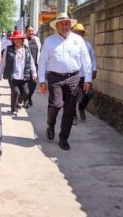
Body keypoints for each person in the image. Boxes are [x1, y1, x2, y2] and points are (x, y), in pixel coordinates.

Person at [38, 13, 92, 150]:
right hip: (55, 77)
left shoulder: (78, 40)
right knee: (55, 104)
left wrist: (88, 79)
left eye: (66, 23)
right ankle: (51, 124)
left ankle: (64, 138)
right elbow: (43, 62)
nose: (64, 26)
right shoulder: (49, 41)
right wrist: (42, 81)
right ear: (56, 26)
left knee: (69, 109)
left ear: (71, 25)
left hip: (73, 77)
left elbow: (86, 60)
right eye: (61, 24)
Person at [0, 30, 37, 118]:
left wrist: (34, 73)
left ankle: (18, 102)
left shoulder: (26, 49)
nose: (18, 40)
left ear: (22, 40)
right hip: (13, 76)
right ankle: (14, 110)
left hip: (24, 76)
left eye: (20, 39)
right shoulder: (8, 49)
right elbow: (3, 63)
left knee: (26, 92)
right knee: (15, 92)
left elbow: (31, 62)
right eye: (16, 39)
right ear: (13, 40)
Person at [72, 23, 97, 121]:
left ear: (83, 34)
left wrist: (94, 69)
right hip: (73, 75)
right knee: (72, 96)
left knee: (89, 93)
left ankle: (81, 108)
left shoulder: (88, 46)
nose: (78, 35)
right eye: (76, 33)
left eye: (80, 33)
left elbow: (92, 58)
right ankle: (73, 114)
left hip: (85, 75)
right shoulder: (69, 45)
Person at [24, 26, 42, 106]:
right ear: (26, 31)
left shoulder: (37, 39)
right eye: (29, 31)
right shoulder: (23, 40)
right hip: (26, 65)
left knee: (34, 83)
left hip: (36, 64)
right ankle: (26, 99)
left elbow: (39, 51)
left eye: (32, 30)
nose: (31, 32)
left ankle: (29, 96)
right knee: (26, 83)